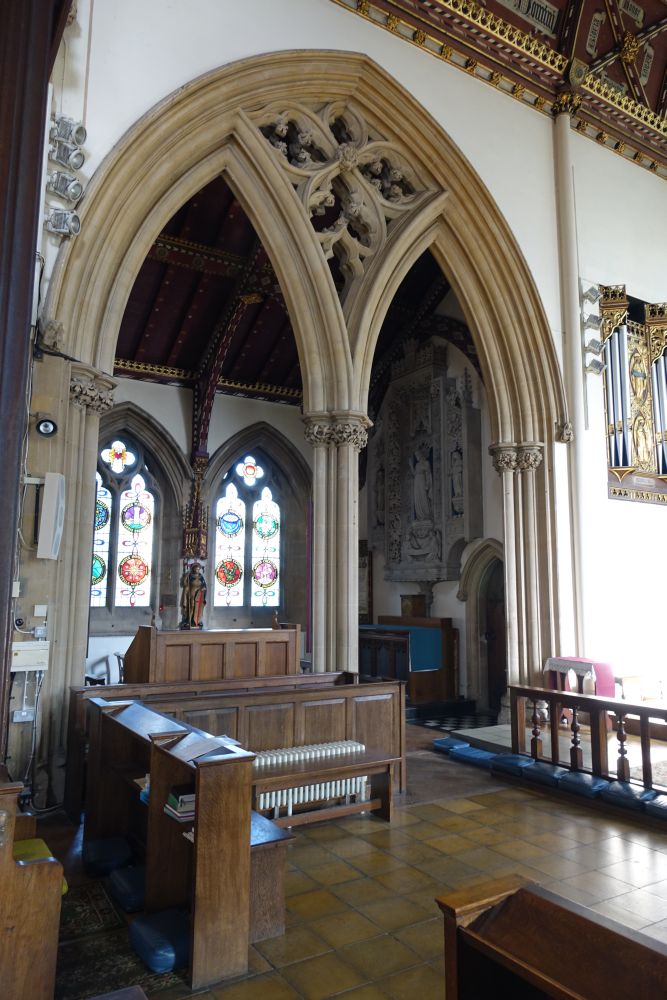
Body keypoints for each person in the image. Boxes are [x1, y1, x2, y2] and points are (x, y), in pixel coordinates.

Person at [180, 561, 207, 629]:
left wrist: (203, 588)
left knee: (198, 606)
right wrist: (186, 576)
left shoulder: (201, 576)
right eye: (196, 569)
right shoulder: (190, 576)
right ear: (193, 569)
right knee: (192, 605)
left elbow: (204, 585)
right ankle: (188, 620)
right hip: (192, 591)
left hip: (199, 593)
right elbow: (184, 583)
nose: (197, 570)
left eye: (198, 569)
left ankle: (196, 620)